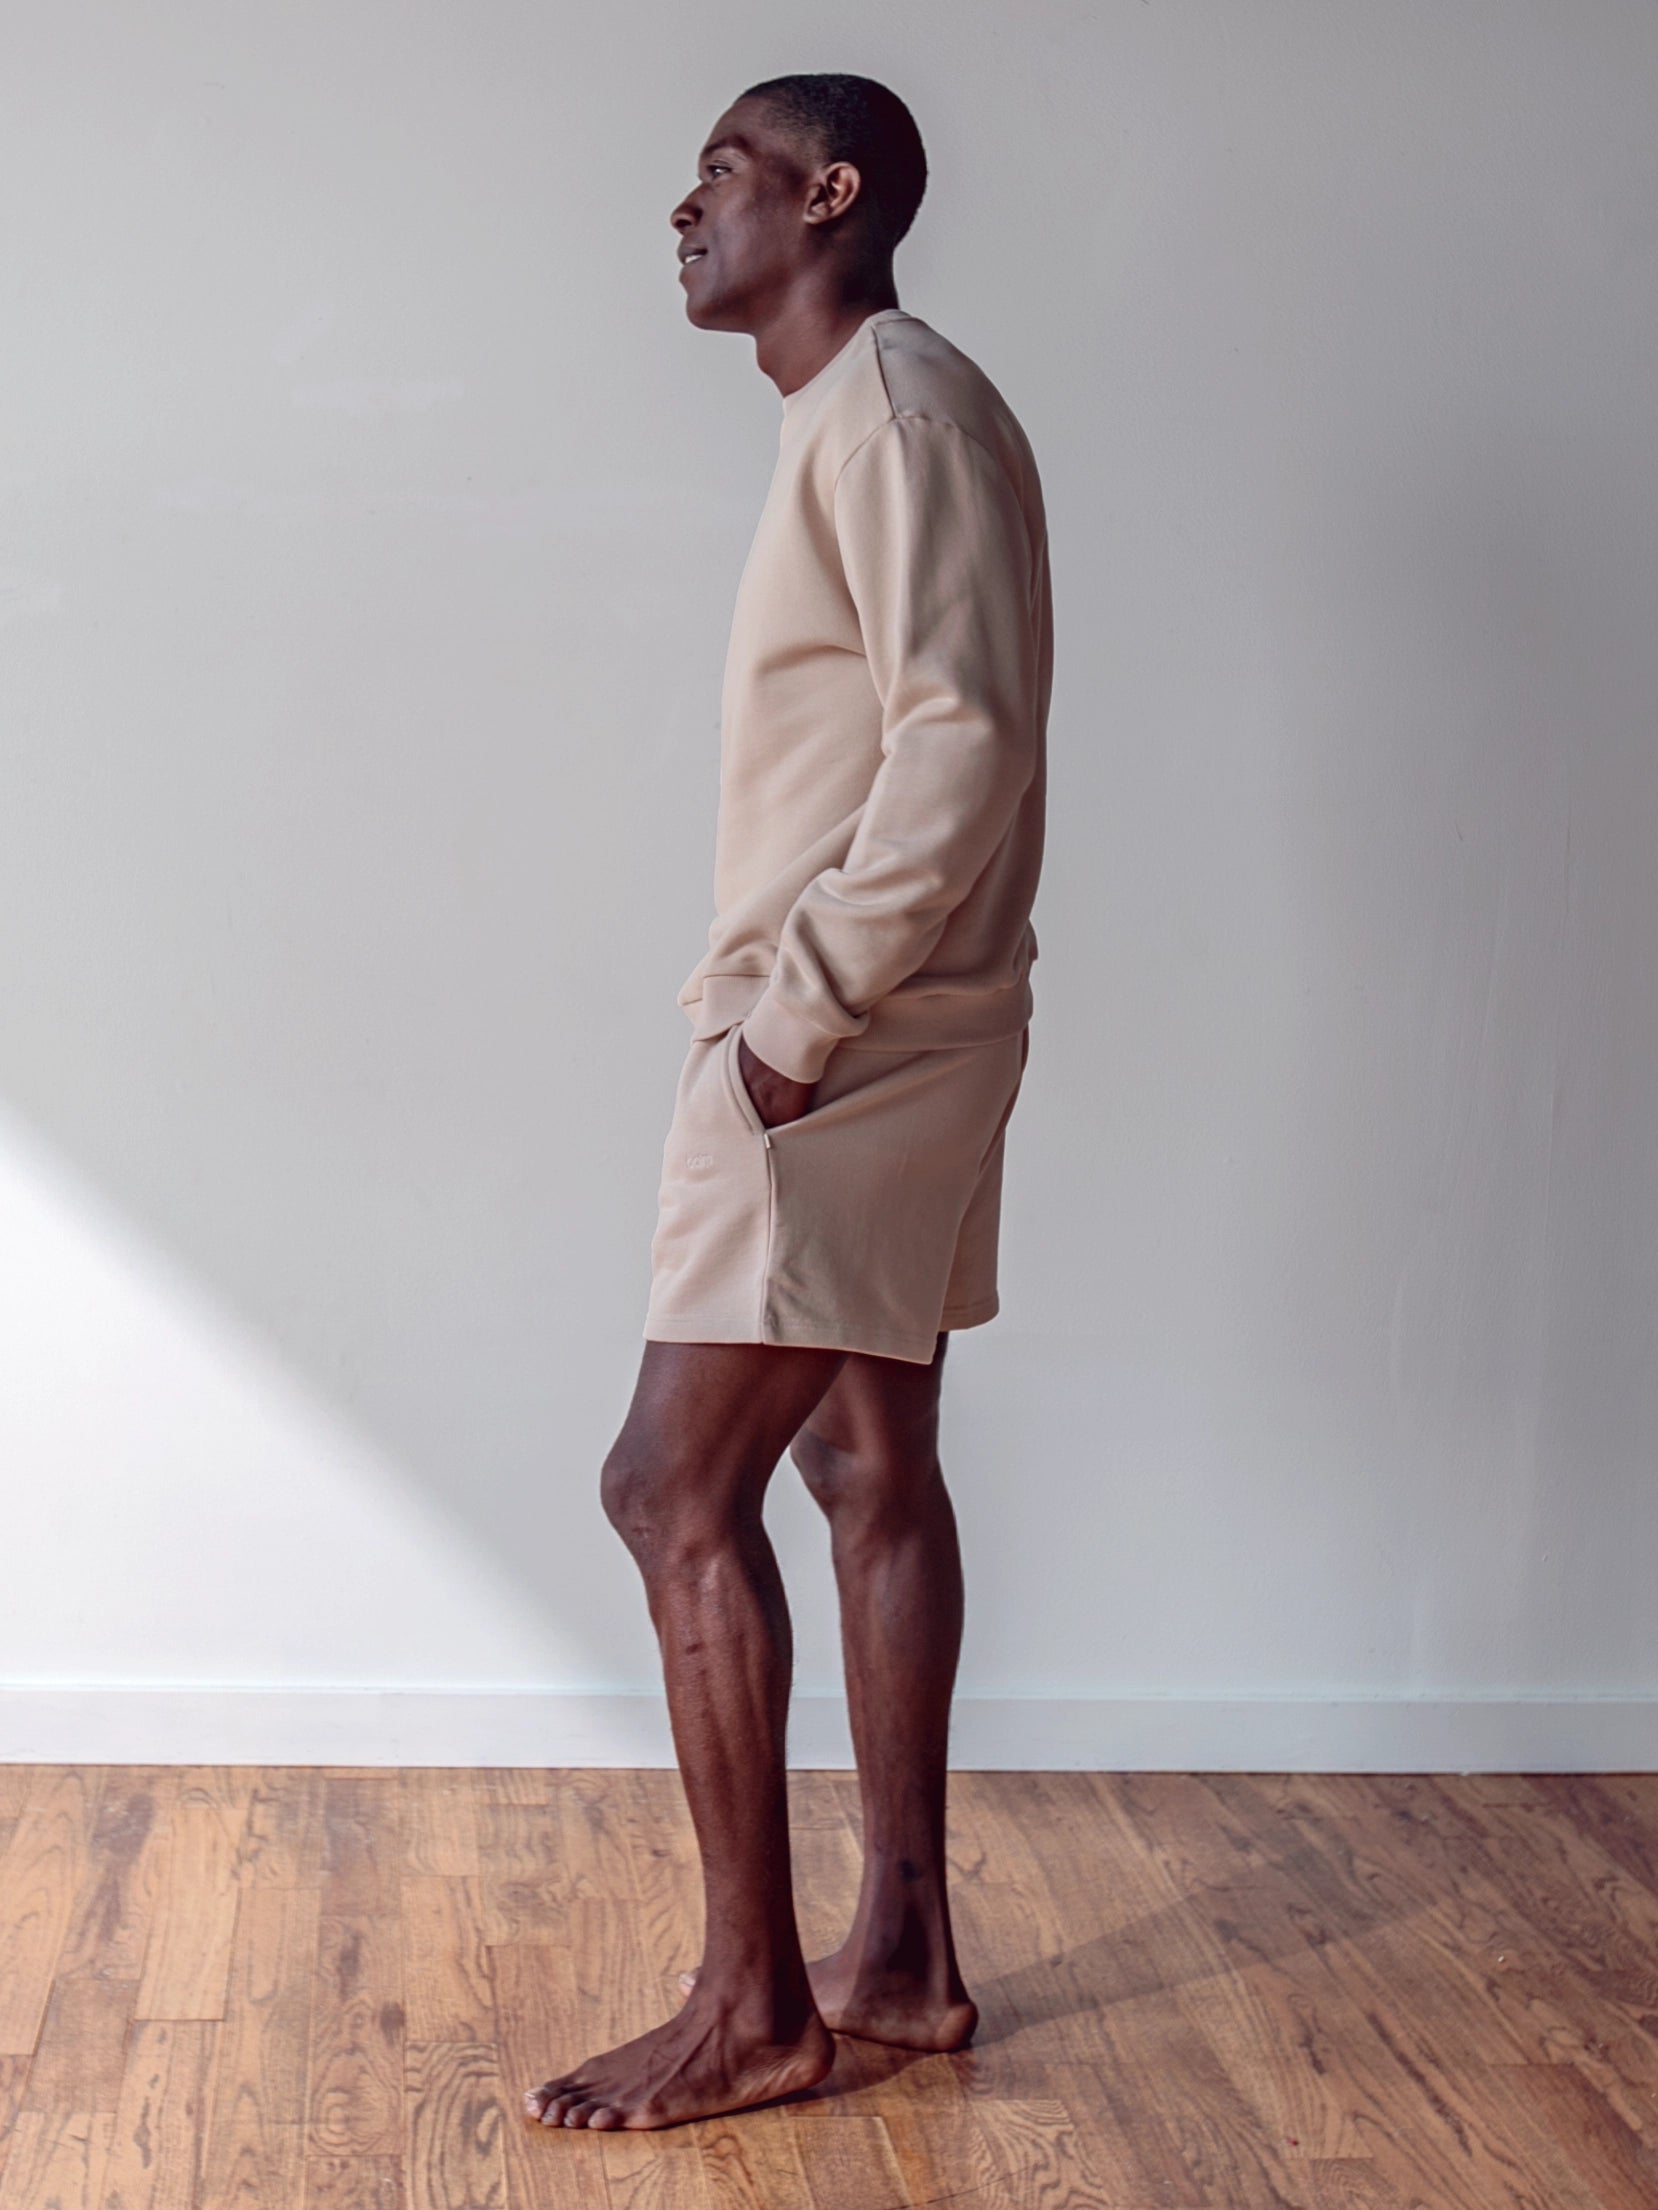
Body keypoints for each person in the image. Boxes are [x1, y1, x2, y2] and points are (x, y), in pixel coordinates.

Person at [525, 70, 1051, 2133]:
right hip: (894, 1024)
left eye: (727, 175)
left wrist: (785, 1031)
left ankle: (753, 2003)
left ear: (830, 198)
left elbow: (959, 746)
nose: (686, 206)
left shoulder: (899, 408)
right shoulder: (864, 411)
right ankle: (902, 1956)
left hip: (845, 1037)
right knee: (858, 1461)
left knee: (667, 1487)